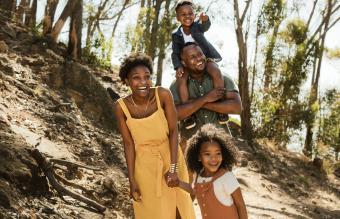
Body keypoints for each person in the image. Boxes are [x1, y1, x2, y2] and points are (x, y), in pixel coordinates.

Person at [114, 53, 195, 219]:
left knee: (180, 209)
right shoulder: (121, 107)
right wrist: (132, 181)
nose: (143, 82)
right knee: (151, 212)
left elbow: (174, 132)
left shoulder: (163, 95)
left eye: (147, 77)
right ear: (127, 81)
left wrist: (173, 169)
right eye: (136, 78)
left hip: (171, 156)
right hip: (144, 166)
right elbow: (128, 144)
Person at [169, 42, 242, 152]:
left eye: (200, 54)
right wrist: (205, 98)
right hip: (190, 149)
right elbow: (174, 115)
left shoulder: (222, 77)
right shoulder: (177, 85)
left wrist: (201, 103)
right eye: (192, 57)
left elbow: (236, 107)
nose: (199, 58)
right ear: (184, 62)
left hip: (221, 148)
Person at [167, 123, 248, 219]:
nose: (213, 158)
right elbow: (194, 190)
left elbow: (240, 205)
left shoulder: (227, 177)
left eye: (218, 153)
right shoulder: (199, 176)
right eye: (207, 154)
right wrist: (178, 183)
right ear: (198, 157)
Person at [171, 0, 228, 129]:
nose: (187, 17)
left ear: (195, 15)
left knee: (215, 70)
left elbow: (206, 26)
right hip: (187, 63)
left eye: (190, 13)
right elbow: (175, 53)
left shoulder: (197, 26)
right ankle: (188, 116)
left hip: (204, 58)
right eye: (183, 14)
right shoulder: (176, 35)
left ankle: (221, 107)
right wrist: (179, 66)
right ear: (177, 18)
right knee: (181, 79)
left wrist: (206, 19)